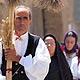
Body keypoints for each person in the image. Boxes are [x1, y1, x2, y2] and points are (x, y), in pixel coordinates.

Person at [0, 5, 51, 80]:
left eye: (25, 18)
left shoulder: (37, 42)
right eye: (18, 18)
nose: (22, 22)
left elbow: (42, 68)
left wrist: (18, 58)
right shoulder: (3, 42)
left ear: (30, 21)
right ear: (13, 20)